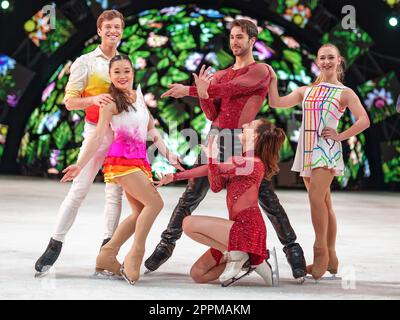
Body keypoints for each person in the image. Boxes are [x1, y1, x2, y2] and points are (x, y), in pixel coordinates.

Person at [145, 19, 307, 280]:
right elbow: (211, 111)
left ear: (252, 41)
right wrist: (202, 93)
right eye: (232, 37)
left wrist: (191, 90)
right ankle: (166, 245)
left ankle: (292, 249)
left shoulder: (262, 70)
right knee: (190, 196)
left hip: (245, 142)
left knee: (267, 199)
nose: (234, 42)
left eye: (240, 37)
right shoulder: (219, 74)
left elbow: (232, 88)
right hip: (217, 138)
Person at [61, 54, 184, 285]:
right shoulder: (110, 102)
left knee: (140, 213)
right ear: (110, 75)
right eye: (116, 72)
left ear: (133, 72)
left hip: (139, 162)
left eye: (126, 70)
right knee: (155, 203)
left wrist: (169, 155)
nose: (122, 76)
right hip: (121, 162)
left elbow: (152, 131)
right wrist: (80, 165)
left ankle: (107, 255)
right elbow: (97, 137)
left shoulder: (138, 96)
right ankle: (135, 255)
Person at [35, 10, 126, 276]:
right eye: (108, 26)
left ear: (122, 30)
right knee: (79, 189)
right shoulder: (85, 62)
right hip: (95, 132)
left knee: (114, 193)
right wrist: (93, 100)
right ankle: (55, 243)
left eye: (117, 27)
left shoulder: (125, 61)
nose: (113, 31)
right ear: (99, 30)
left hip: (120, 135)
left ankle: (107, 251)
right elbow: (69, 100)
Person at [268, 43, 370, 280]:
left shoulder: (345, 92)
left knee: (315, 198)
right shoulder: (306, 90)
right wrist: (272, 79)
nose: (326, 61)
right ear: (317, 61)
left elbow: (364, 120)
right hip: (306, 149)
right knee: (324, 203)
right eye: (322, 57)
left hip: (326, 149)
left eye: (330, 57)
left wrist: (340, 136)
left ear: (339, 60)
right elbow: (275, 103)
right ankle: (332, 257)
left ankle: (320, 252)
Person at [156, 119, 285, 286]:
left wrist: (212, 157)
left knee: (187, 223)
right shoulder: (240, 159)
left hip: (247, 230)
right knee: (198, 274)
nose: (244, 125)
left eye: (249, 125)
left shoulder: (253, 163)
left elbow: (215, 179)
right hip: (236, 228)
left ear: (255, 136)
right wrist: (174, 177)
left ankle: (243, 254)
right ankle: (246, 257)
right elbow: (213, 177)